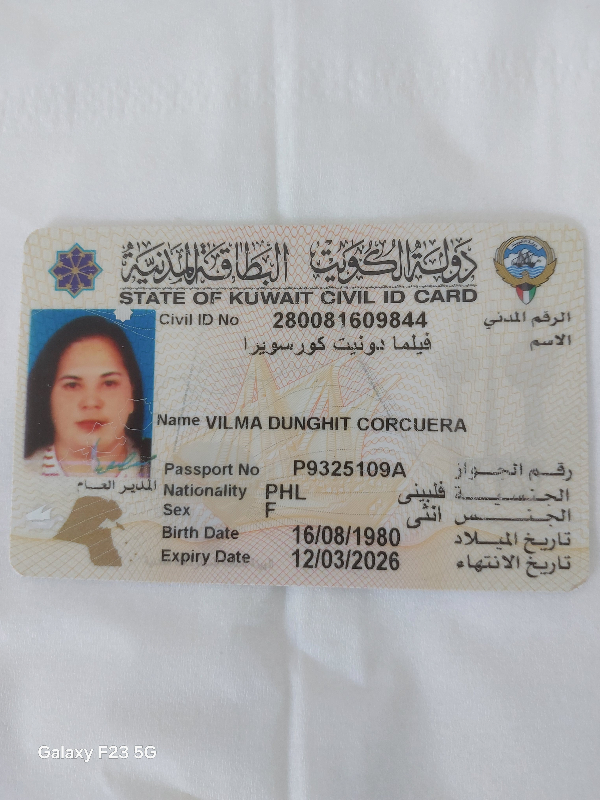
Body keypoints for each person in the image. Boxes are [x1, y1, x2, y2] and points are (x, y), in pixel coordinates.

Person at [25, 315, 152, 476]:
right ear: (48, 397)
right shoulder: (18, 476)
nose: (91, 402)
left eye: (109, 383)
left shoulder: (162, 468)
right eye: (72, 385)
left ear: (132, 397)